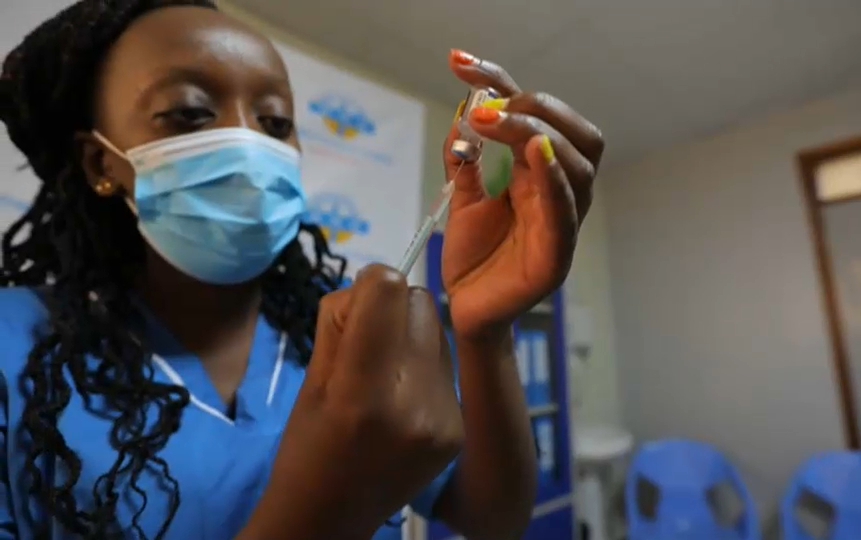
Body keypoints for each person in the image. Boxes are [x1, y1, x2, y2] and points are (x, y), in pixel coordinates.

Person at [0, 0, 604, 539]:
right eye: (190, 112)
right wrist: (327, 510)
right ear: (99, 162)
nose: (248, 145)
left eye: (274, 123)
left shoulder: (351, 323)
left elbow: (493, 518)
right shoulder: (14, 343)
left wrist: (485, 336)